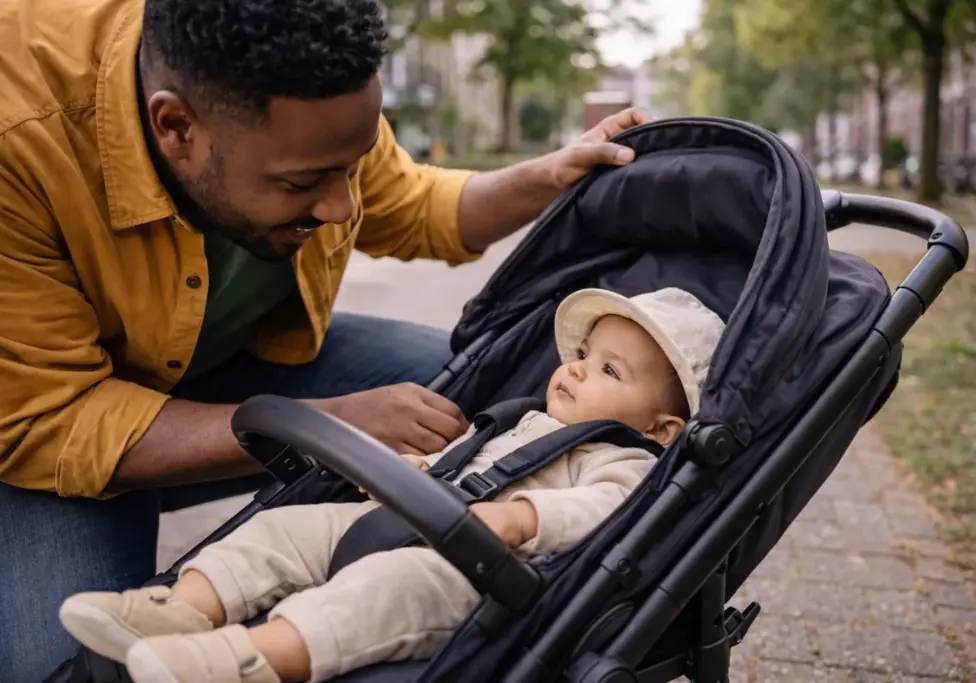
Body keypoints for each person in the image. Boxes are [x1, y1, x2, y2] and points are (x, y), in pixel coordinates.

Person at [0, 0, 656, 675]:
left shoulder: (312, 92)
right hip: (48, 426)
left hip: (225, 364)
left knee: (480, 396)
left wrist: (550, 175)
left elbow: (415, 205)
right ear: (177, 127)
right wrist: (330, 425)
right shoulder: (19, 131)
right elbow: (49, 417)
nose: (343, 206)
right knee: (67, 667)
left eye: (354, 166)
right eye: (304, 182)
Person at [57, 287, 726, 683]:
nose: (577, 371)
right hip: (410, 517)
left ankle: (247, 660)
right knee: (283, 529)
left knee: (380, 593)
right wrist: (414, 476)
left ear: (664, 427)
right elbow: (464, 461)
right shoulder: (523, 419)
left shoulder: (626, 459)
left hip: (486, 576)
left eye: (609, 371)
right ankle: (182, 606)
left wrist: (521, 519)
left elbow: (605, 510)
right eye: (582, 356)